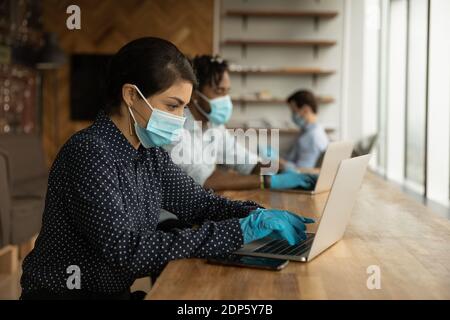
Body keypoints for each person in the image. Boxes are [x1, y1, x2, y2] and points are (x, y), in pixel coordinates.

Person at [20, 37, 314, 300]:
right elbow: (128, 251)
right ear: (131, 96)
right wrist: (239, 231)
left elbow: (199, 203)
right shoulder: (88, 154)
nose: (180, 117)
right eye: (172, 105)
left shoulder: (149, 154)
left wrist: (255, 215)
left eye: (184, 108)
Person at [164, 55, 318, 192]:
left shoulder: (214, 126)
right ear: (195, 94)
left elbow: (245, 161)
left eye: (227, 91)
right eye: (219, 91)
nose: (225, 99)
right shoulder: (176, 127)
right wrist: (269, 181)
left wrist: (280, 169)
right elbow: (205, 180)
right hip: (172, 218)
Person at [284, 90, 329, 169]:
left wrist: (279, 163)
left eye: (294, 111)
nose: (293, 115)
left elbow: (303, 170)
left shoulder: (313, 136)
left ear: (305, 110)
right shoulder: (307, 131)